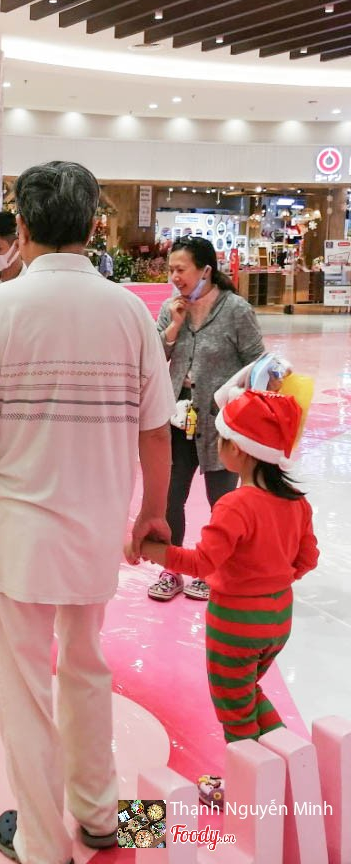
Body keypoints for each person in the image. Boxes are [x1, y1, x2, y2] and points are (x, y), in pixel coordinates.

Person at [0, 161, 175, 864]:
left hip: (17, 530)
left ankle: (43, 843)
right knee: (88, 668)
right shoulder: (130, 311)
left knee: (24, 692)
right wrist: (153, 513)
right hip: (97, 527)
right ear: (93, 224)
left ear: (22, 225)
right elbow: (157, 430)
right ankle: (101, 816)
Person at [141, 388, 318, 802]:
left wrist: (149, 550)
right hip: (278, 618)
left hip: (236, 626)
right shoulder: (296, 504)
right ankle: (290, 765)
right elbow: (308, 558)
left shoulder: (236, 505)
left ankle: (246, 793)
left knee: (235, 711)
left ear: (236, 449)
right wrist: (271, 579)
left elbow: (202, 563)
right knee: (248, 692)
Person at [149, 235, 265, 603]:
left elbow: (257, 364)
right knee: (171, 496)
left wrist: (237, 403)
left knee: (222, 501)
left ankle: (215, 568)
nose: (174, 277)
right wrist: (173, 326)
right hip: (177, 416)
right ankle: (172, 568)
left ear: (205, 271)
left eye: (180, 269)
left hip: (221, 422)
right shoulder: (171, 308)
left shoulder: (236, 310)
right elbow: (153, 357)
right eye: (170, 270)